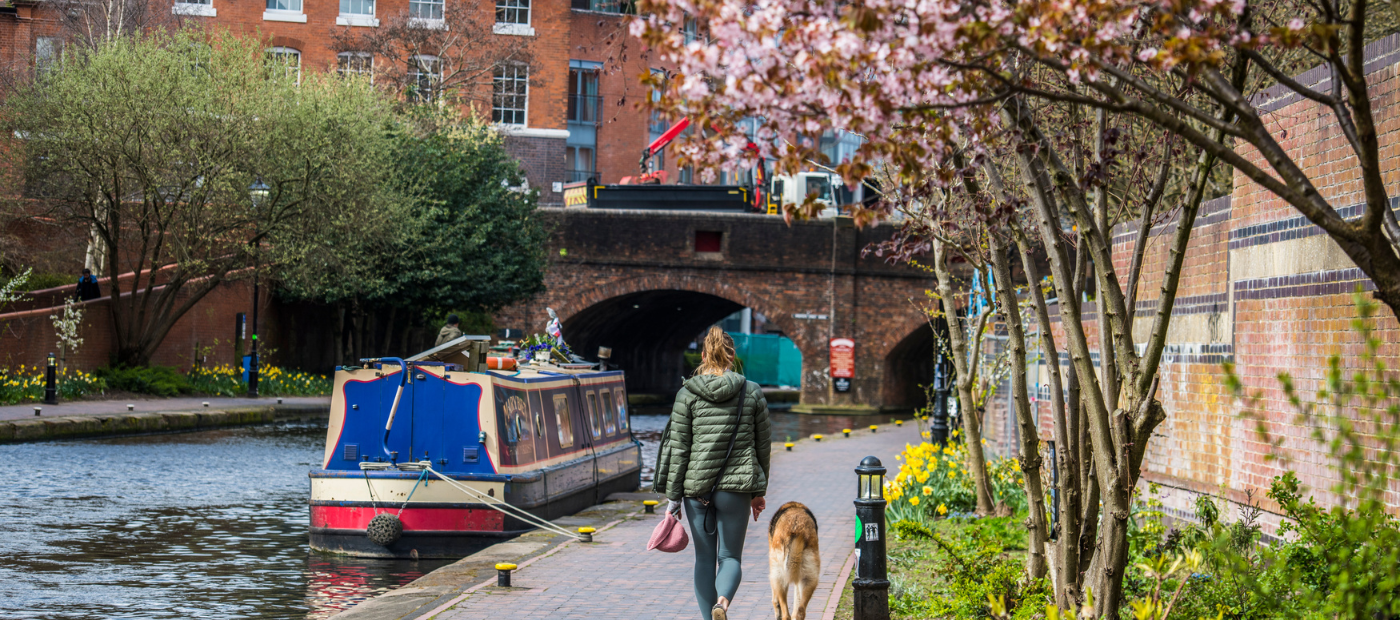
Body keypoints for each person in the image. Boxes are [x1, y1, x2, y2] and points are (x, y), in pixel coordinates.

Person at [653, 326, 771, 620]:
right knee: (730, 557)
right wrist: (759, 492)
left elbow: (679, 449)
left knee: (704, 559)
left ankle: (710, 618)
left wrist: (673, 499)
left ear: (703, 355)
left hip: (697, 489)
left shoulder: (686, 394)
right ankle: (723, 603)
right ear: (732, 356)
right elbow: (763, 447)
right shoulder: (752, 391)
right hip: (738, 488)